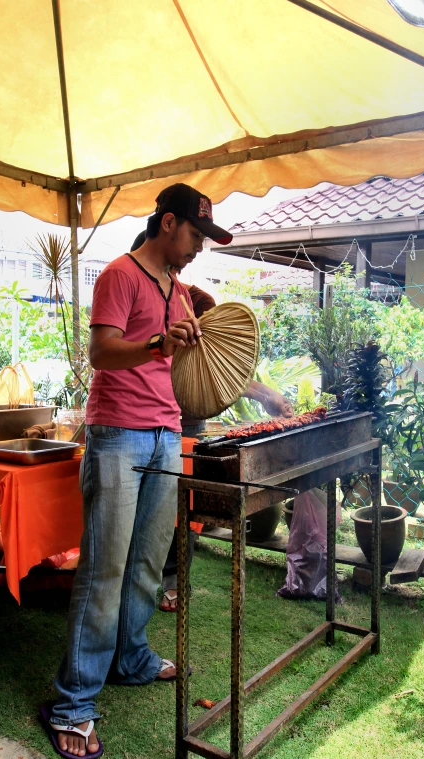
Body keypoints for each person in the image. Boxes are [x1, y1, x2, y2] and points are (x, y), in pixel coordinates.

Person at [43, 183, 234, 759]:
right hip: (118, 436)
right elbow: (101, 353)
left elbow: (184, 349)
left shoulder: (178, 289)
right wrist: (156, 340)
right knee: (104, 571)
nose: (200, 246)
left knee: (150, 562)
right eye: (197, 235)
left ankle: (131, 658)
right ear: (168, 223)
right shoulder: (119, 276)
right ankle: (73, 704)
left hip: (166, 435)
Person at [130, 231, 293, 612]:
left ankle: (172, 581)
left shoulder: (192, 300)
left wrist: (267, 394)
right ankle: (148, 585)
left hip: (184, 423)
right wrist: (266, 394)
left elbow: (220, 372)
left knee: (179, 508)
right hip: (143, 424)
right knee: (154, 513)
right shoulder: (133, 290)